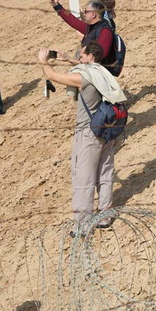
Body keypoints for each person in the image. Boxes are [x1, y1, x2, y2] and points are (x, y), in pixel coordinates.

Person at [39, 42, 128, 235]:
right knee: (104, 174)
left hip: (88, 133)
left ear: (90, 57)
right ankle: (105, 215)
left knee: (83, 178)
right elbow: (86, 68)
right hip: (107, 129)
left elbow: (53, 76)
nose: (79, 58)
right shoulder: (102, 73)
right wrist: (67, 58)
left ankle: (82, 225)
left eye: (81, 55)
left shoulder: (84, 77)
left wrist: (43, 62)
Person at [49, 0, 115, 66]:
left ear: (93, 14)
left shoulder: (105, 31)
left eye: (86, 12)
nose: (84, 13)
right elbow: (72, 20)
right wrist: (57, 6)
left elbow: (98, 58)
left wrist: (72, 59)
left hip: (96, 73)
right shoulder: (91, 27)